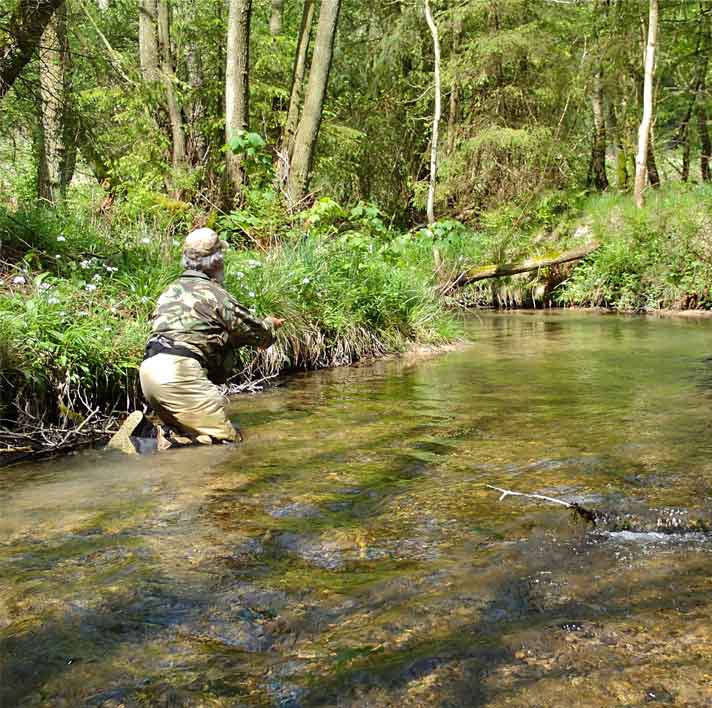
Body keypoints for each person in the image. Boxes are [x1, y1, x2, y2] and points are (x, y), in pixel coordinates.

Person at [139, 227, 284, 445]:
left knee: (191, 439)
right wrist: (270, 325)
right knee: (228, 444)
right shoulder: (215, 294)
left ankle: (154, 443)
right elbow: (257, 334)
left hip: (149, 372)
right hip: (180, 374)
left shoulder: (170, 290)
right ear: (216, 262)